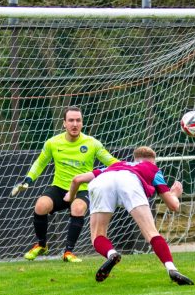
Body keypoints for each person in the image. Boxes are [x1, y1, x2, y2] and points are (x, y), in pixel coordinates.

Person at [65, 146, 194, 285]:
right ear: (153, 161)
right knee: (151, 232)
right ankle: (171, 269)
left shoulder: (117, 165)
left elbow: (77, 179)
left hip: (103, 180)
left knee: (98, 234)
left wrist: (70, 198)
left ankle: (111, 254)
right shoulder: (152, 169)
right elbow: (173, 205)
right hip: (131, 182)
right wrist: (175, 193)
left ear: (134, 159)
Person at [10, 106, 118, 263]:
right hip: (60, 188)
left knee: (78, 208)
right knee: (40, 205)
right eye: (71, 120)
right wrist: (28, 180)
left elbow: (112, 162)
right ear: (64, 123)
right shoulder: (53, 143)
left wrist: (131, 168)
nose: (75, 124)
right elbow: (40, 163)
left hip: (82, 189)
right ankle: (41, 245)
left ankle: (68, 252)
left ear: (82, 123)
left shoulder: (92, 143)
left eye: (78, 120)